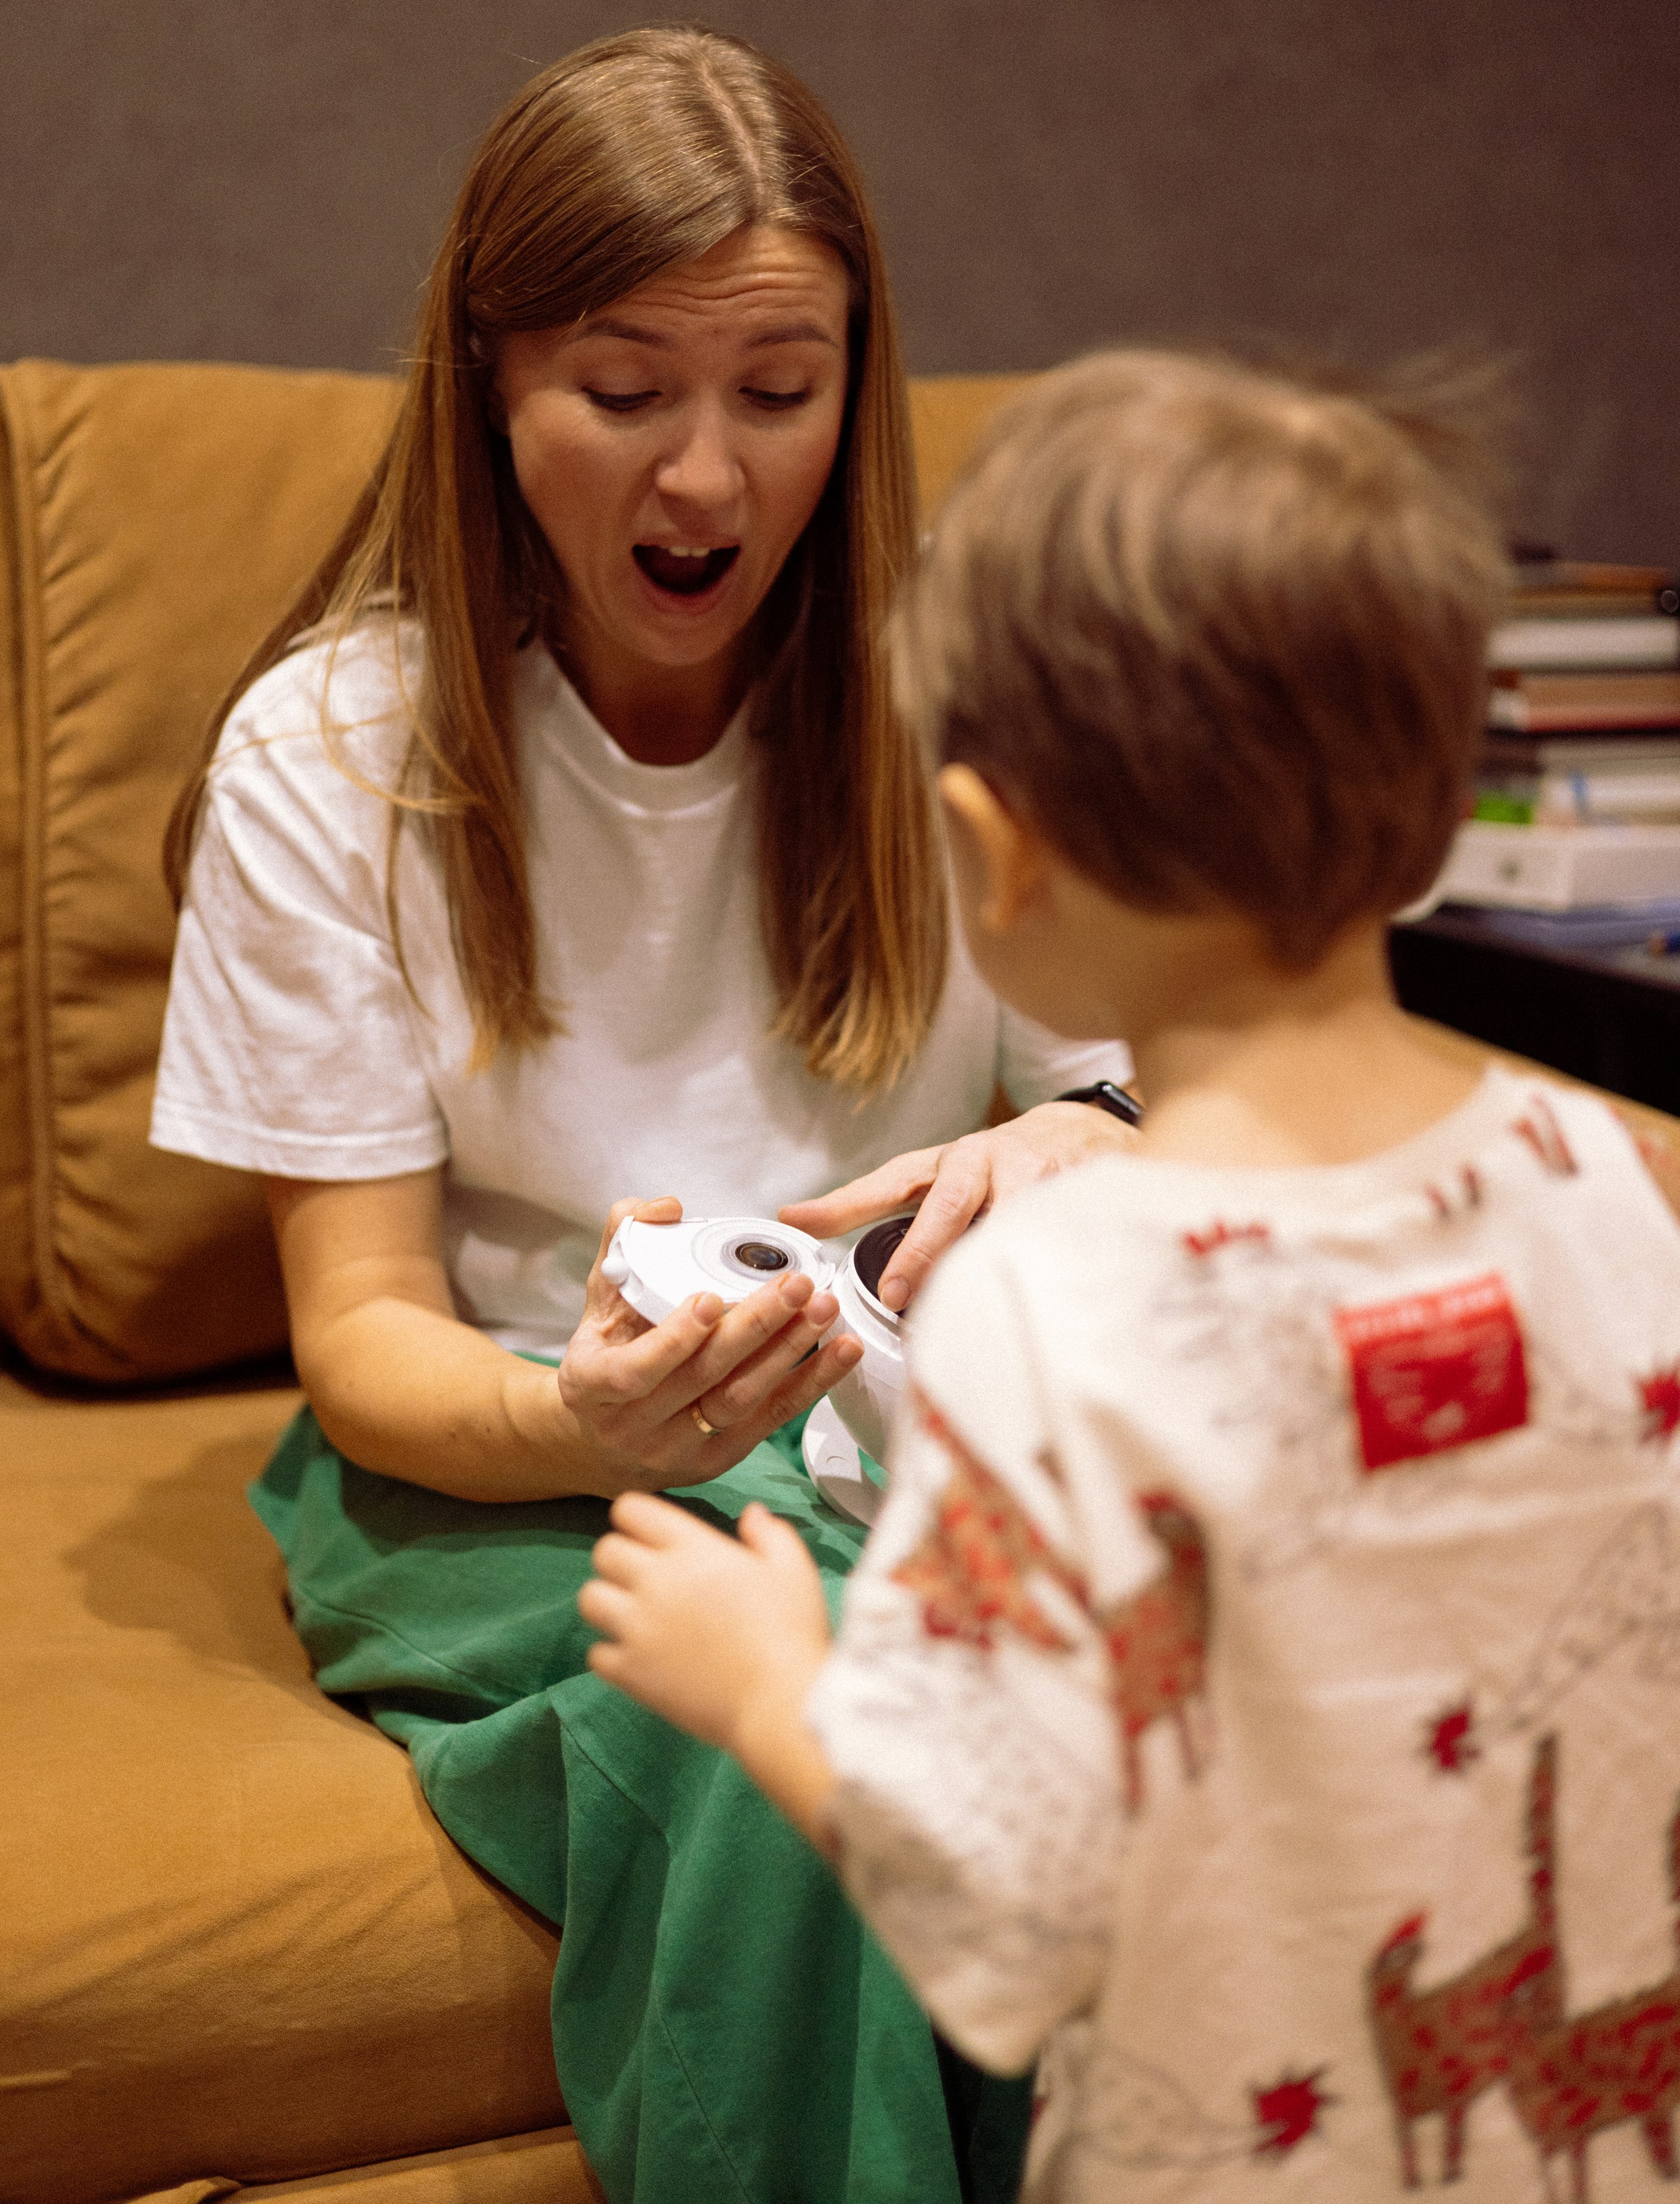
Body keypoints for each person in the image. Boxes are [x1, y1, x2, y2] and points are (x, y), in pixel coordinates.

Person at [149, 26, 1132, 2204]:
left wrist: (1112, 1134)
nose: (704, 481)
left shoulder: (970, 694)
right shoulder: (332, 752)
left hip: (895, 1434)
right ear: (491, 386)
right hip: (484, 1451)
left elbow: (1166, 1092)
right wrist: (585, 1425)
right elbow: (365, 1333)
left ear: (858, 390)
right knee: (807, 1735)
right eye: (622, 391)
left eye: (780, 392)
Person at [581, 348, 1680, 2202]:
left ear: (999, 854)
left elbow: (997, 1913)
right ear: (1439, 815)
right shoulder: (1607, 1178)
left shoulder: (1055, 1302)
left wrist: (769, 1685)